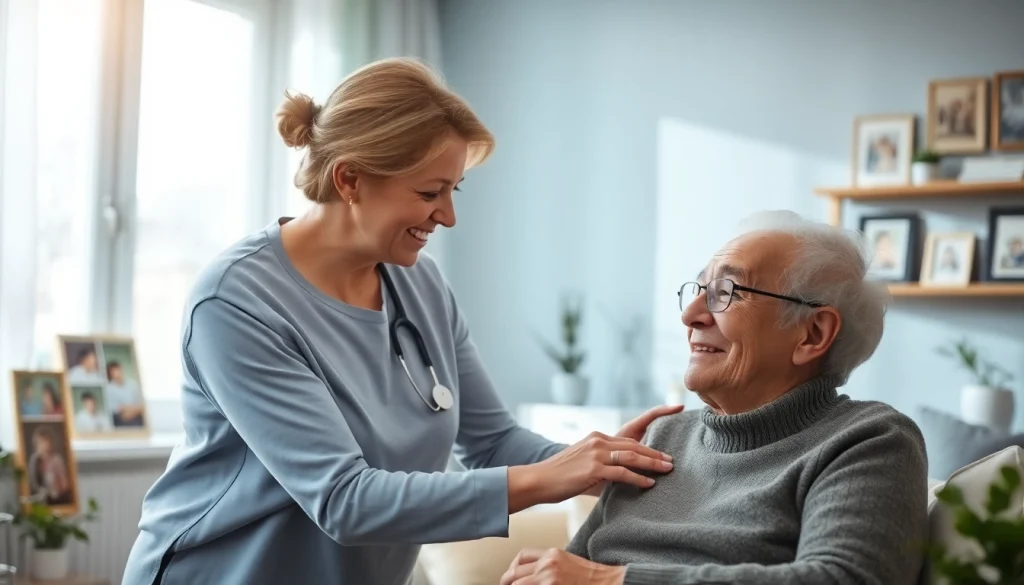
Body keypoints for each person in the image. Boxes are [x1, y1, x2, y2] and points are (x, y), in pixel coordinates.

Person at [121, 57, 681, 585]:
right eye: (429, 192)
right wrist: (543, 480)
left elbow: (492, 442)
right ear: (350, 180)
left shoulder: (422, 286)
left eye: (452, 190)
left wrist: (600, 458)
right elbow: (345, 500)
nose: (449, 215)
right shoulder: (237, 302)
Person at [502, 211, 929, 585]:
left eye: (726, 292)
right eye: (698, 289)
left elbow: (844, 578)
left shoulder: (869, 440)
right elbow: (571, 570)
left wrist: (614, 581)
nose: (690, 315)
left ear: (812, 333)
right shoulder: (663, 436)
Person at [104, 361, 145, 427]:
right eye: (114, 371)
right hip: (120, 417)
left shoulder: (132, 383)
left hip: (136, 413)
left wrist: (134, 410)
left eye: (118, 369)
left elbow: (141, 403)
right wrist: (136, 409)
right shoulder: (109, 388)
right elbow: (117, 408)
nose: (117, 373)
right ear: (110, 374)